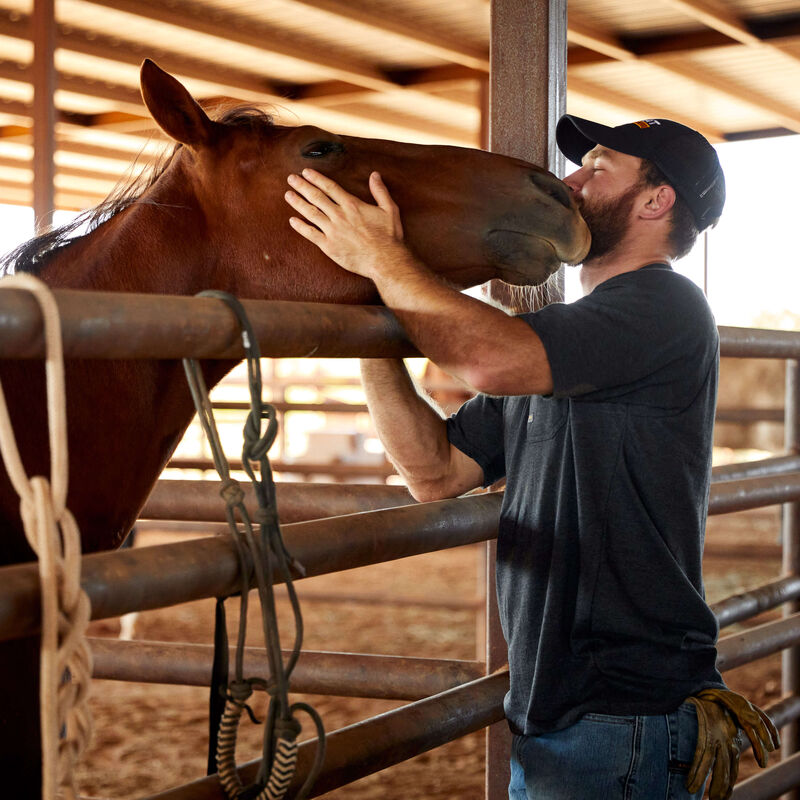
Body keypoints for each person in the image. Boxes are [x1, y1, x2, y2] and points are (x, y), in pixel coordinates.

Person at [284, 115, 778, 800]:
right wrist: (367, 300)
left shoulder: (664, 307)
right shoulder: (561, 344)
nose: (572, 180)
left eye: (598, 167)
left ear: (655, 200)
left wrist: (383, 259)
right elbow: (433, 470)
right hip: (568, 713)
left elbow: (489, 360)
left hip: (621, 716)